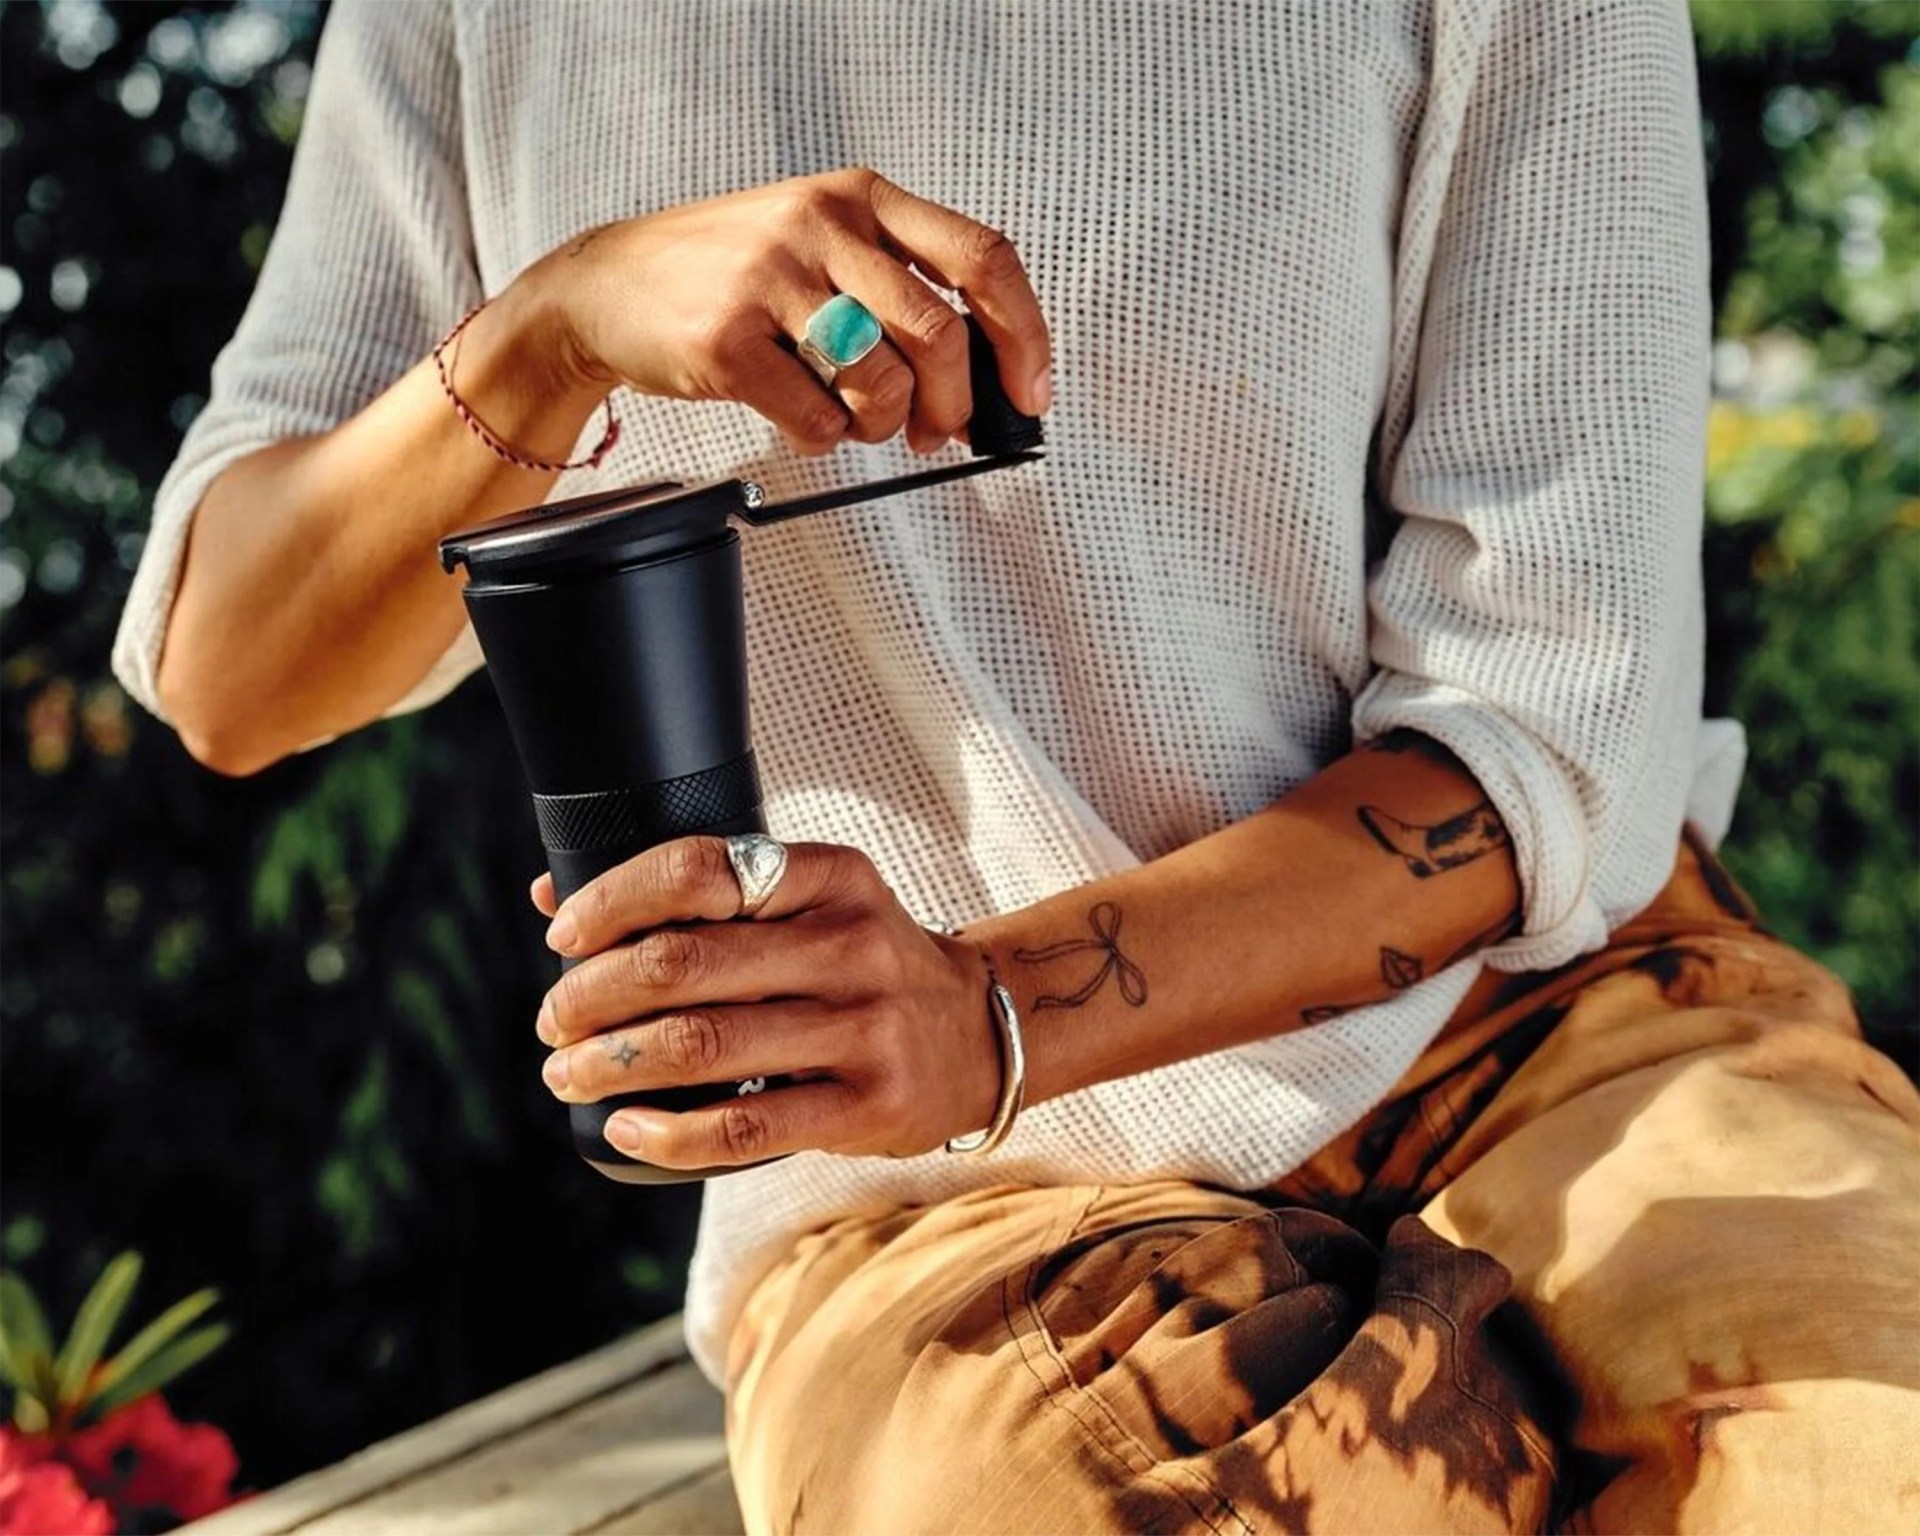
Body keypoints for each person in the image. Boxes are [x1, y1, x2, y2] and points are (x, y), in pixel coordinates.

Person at [112, 1, 1920, 1530]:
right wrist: (554, 323)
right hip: (929, 1196)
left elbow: (1546, 728)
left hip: (1550, 1028)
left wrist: (986, 1007)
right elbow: (231, 667)